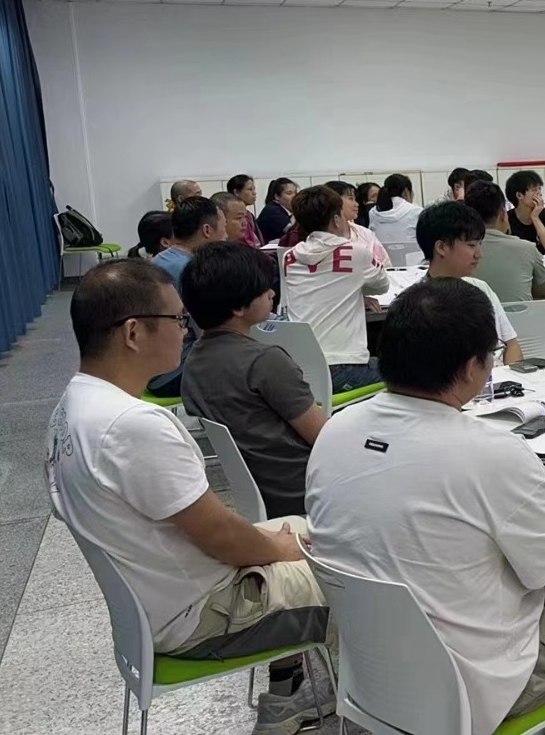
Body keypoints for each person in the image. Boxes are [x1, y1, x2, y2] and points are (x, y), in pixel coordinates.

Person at [305, 278, 545, 735]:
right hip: (469, 689)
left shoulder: (334, 431)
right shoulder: (492, 453)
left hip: (371, 677)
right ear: (471, 368)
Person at [47, 259, 333, 735]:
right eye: (177, 320)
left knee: (316, 535)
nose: (185, 332)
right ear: (133, 333)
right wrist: (282, 550)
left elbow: (211, 528)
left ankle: (294, 696)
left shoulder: (72, 408)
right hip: (205, 614)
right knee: (363, 577)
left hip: (159, 603)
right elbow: (223, 538)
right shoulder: (133, 425)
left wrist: (279, 544)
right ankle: (373, 706)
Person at [181, 242, 327, 519]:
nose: (272, 293)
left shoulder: (194, 362)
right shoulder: (265, 361)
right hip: (308, 492)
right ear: (238, 306)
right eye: (264, 288)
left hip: (262, 496)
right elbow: (324, 438)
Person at [282, 185, 390, 392]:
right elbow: (382, 286)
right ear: (336, 219)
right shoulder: (357, 252)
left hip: (301, 368)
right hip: (344, 367)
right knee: (408, 373)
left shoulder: (290, 257)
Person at [415, 201, 525, 364]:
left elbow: (512, 345)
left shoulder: (481, 288)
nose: (479, 254)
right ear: (442, 247)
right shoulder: (418, 304)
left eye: (479, 244)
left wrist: (508, 375)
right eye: (471, 245)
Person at [145, 197, 228, 398]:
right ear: (207, 230)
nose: (226, 236)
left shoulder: (159, 260)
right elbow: (208, 334)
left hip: (147, 369)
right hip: (173, 373)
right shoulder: (192, 270)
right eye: (223, 229)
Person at [465, 181, 545, 303]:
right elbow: (543, 292)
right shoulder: (527, 248)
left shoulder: (458, 251)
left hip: (475, 315)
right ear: (502, 214)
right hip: (520, 316)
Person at [505, 169, 545, 255]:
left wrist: (535, 218)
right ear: (519, 195)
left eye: (539, 189)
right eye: (534, 190)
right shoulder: (507, 218)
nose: (539, 194)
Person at [367, 173, 423, 250]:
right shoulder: (416, 211)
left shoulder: (373, 212)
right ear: (406, 192)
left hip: (382, 257)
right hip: (413, 257)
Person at [228, 174, 265, 247]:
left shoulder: (249, 215)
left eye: (254, 189)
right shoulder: (229, 215)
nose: (254, 193)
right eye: (250, 189)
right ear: (237, 192)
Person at [258, 178, 298, 243]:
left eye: (296, 192)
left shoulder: (285, 210)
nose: (294, 196)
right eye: (289, 193)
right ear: (277, 196)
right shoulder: (272, 210)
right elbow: (294, 233)